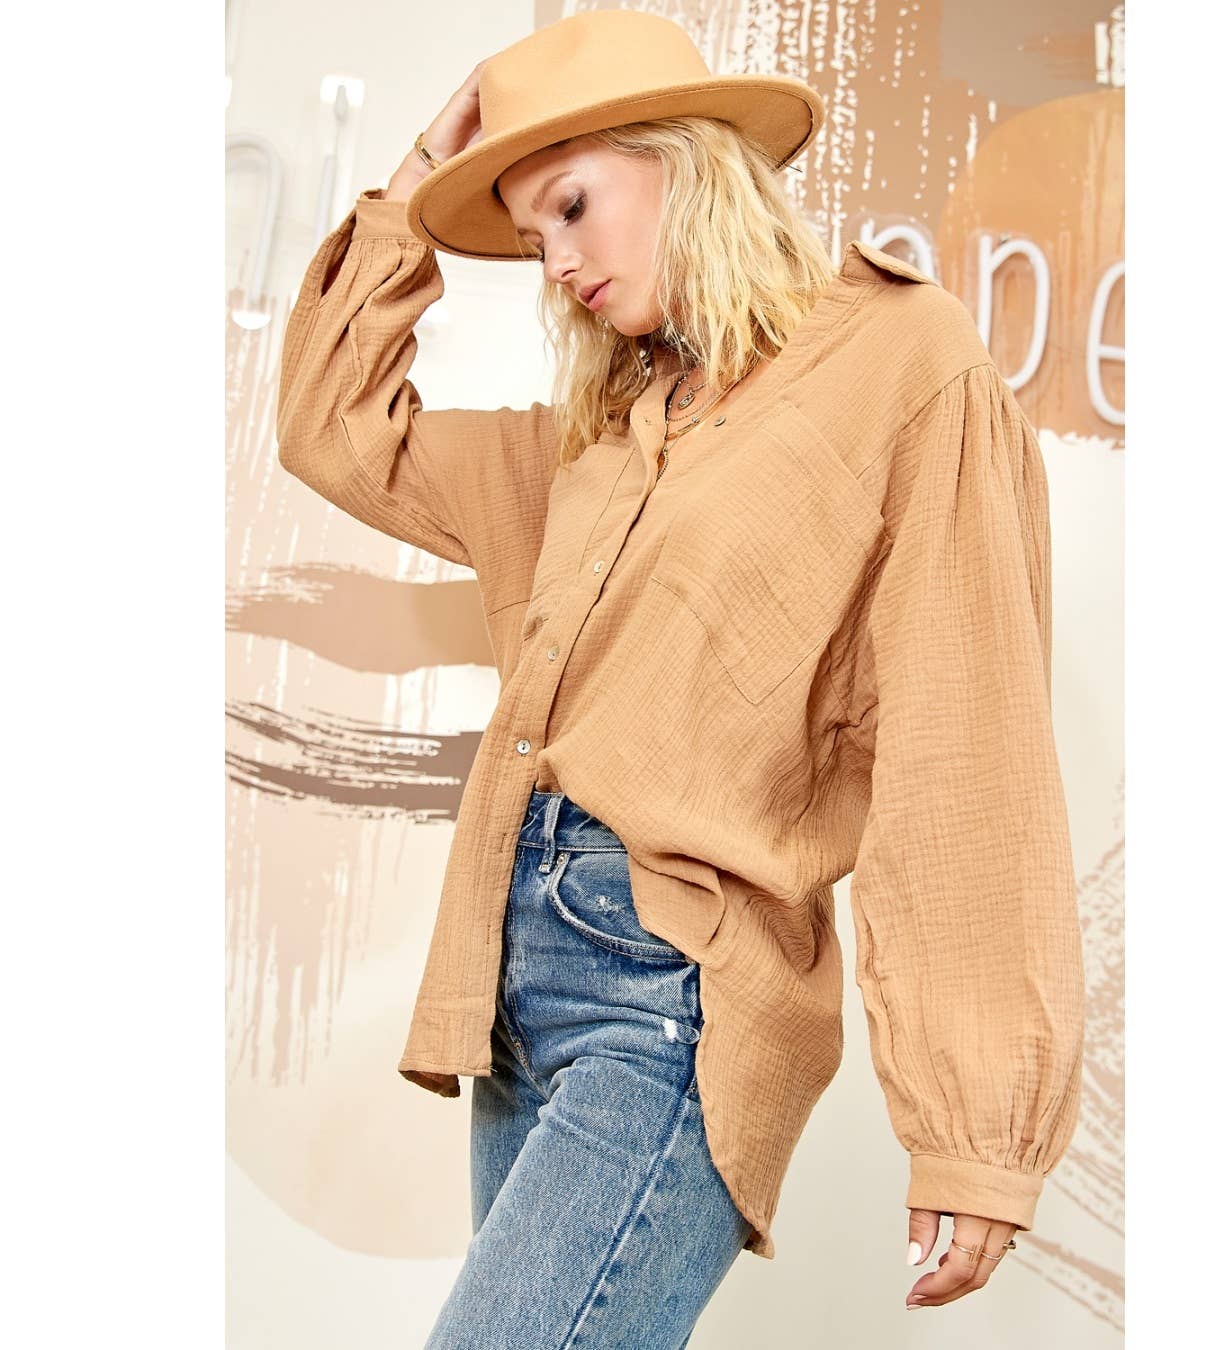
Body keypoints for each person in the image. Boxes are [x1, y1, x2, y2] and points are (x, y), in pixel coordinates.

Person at [275, 10, 1085, 1347]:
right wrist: (420, 174)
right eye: (530, 234)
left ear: (687, 161)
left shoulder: (901, 359)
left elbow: (967, 741)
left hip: (672, 998)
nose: (556, 262)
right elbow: (331, 427)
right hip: (512, 990)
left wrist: (974, 1131)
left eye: (573, 205)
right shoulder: (593, 442)